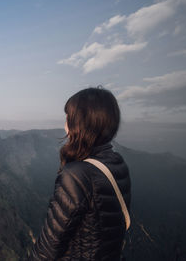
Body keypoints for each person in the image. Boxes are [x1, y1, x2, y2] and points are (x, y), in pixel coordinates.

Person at [28, 86, 131, 260]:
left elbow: (48, 248)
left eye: (68, 117)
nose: (65, 124)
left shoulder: (76, 175)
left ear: (78, 124)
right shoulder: (116, 163)